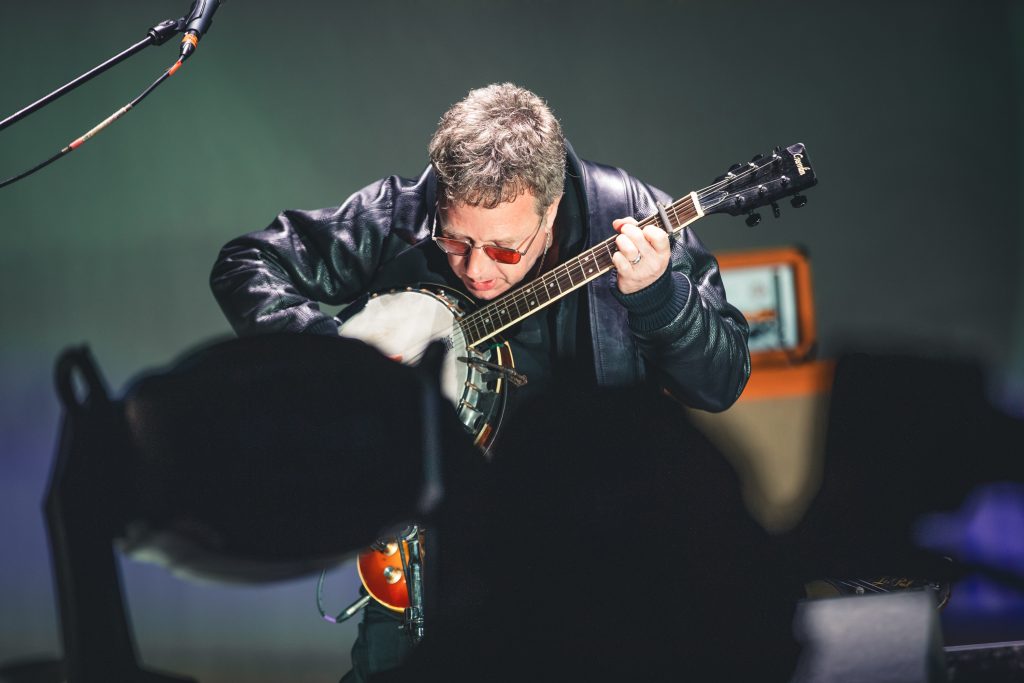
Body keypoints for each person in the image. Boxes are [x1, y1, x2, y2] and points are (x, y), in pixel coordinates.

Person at [209, 83, 752, 682]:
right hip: (428, 559)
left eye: (504, 249)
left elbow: (720, 382)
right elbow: (246, 265)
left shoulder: (635, 219)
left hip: (596, 564)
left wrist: (659, 300)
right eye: (456, 240)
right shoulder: (399, 214)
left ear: (551, 207)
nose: (477, 268)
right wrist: (339, 363)